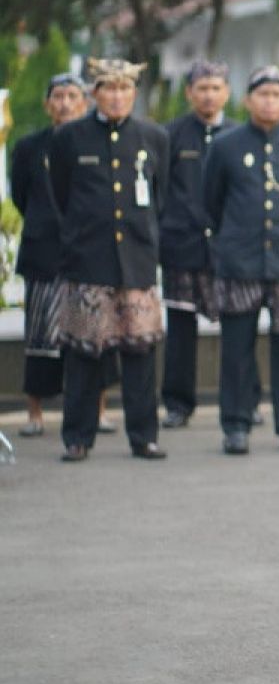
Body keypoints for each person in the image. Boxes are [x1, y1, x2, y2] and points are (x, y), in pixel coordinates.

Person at [203, 65, 279, 455]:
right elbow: (210, 201)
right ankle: (236, 425)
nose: (269, 101)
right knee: (237, 348)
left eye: (277, 94)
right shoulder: (225, 145)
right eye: (262, 94)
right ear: (247, 100)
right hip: (240, 262)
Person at [48, 58, 169, 462]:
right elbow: (61, 195)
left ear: (133, 93)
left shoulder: (153, 136)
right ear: (94, 94)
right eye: (109, 89)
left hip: (135, 262)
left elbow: (159, 196)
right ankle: (78, 437)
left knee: (141, 353)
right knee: (82, 353)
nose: (117, 97)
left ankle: (143, 436)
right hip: (88, 261)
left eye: (124, 89)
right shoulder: (70, 138)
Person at [10, 73, 119, 438]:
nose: (65, 103)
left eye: (73, 96)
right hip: (44, 251)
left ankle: (99, 411)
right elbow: (21, 196)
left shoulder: (99, 143)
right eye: (58, 96)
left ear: (85, 102)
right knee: (41, 334)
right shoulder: (29, 147)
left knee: (93, 334)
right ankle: (36, 414)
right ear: (47, 104)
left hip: (90, 252)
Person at [160, 60, 263, 429]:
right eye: (201, 88)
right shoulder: (169, 136)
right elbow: (159, 192)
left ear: (228, 93)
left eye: (216, 88)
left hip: (229, 251)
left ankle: (246, 401)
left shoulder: (240, 136)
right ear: (189, 93)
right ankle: (177, 404)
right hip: (182, 247)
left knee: (239, 331)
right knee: (181, 332)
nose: (208, 95)